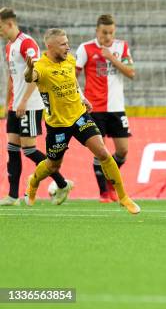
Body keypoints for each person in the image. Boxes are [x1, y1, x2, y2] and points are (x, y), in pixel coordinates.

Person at [23, 28, 140, 214]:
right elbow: (31, 77)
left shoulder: (69, 59)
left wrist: (82, 97)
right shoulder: (41, 67)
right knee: (53, 165)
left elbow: (73, 82)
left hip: (79, 116)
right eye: (63, 44)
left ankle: (123, 197)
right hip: (58, 125)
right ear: (50, 46)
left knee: (102, 152)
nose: (67, 47)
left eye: (67, 43)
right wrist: (29, 70)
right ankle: (33, 182)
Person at [0, 8, 73, 206]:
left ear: (9, 24)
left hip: (30, 105)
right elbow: (11, 77)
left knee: (29, 150)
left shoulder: (27, 43)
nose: (0, 31)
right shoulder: (8, 46)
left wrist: (23, 101)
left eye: (0, 27)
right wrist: (9, 103)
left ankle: (62, 183)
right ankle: (13, 196)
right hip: (16, 106)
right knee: (12, 149)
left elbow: (36, 72)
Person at [75, 14, 135, 203]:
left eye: (110, 33)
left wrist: (111, 58)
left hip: (117, 107)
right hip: (95, 108)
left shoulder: (121, 47)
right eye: (103, 33)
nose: (107, 37)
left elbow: (131, 72)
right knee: (100, 150)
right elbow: (73, 75)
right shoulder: (85, 48)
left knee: (123, 151)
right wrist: (80, 98)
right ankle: (103, 192)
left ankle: (109, 181)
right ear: (97, 31)